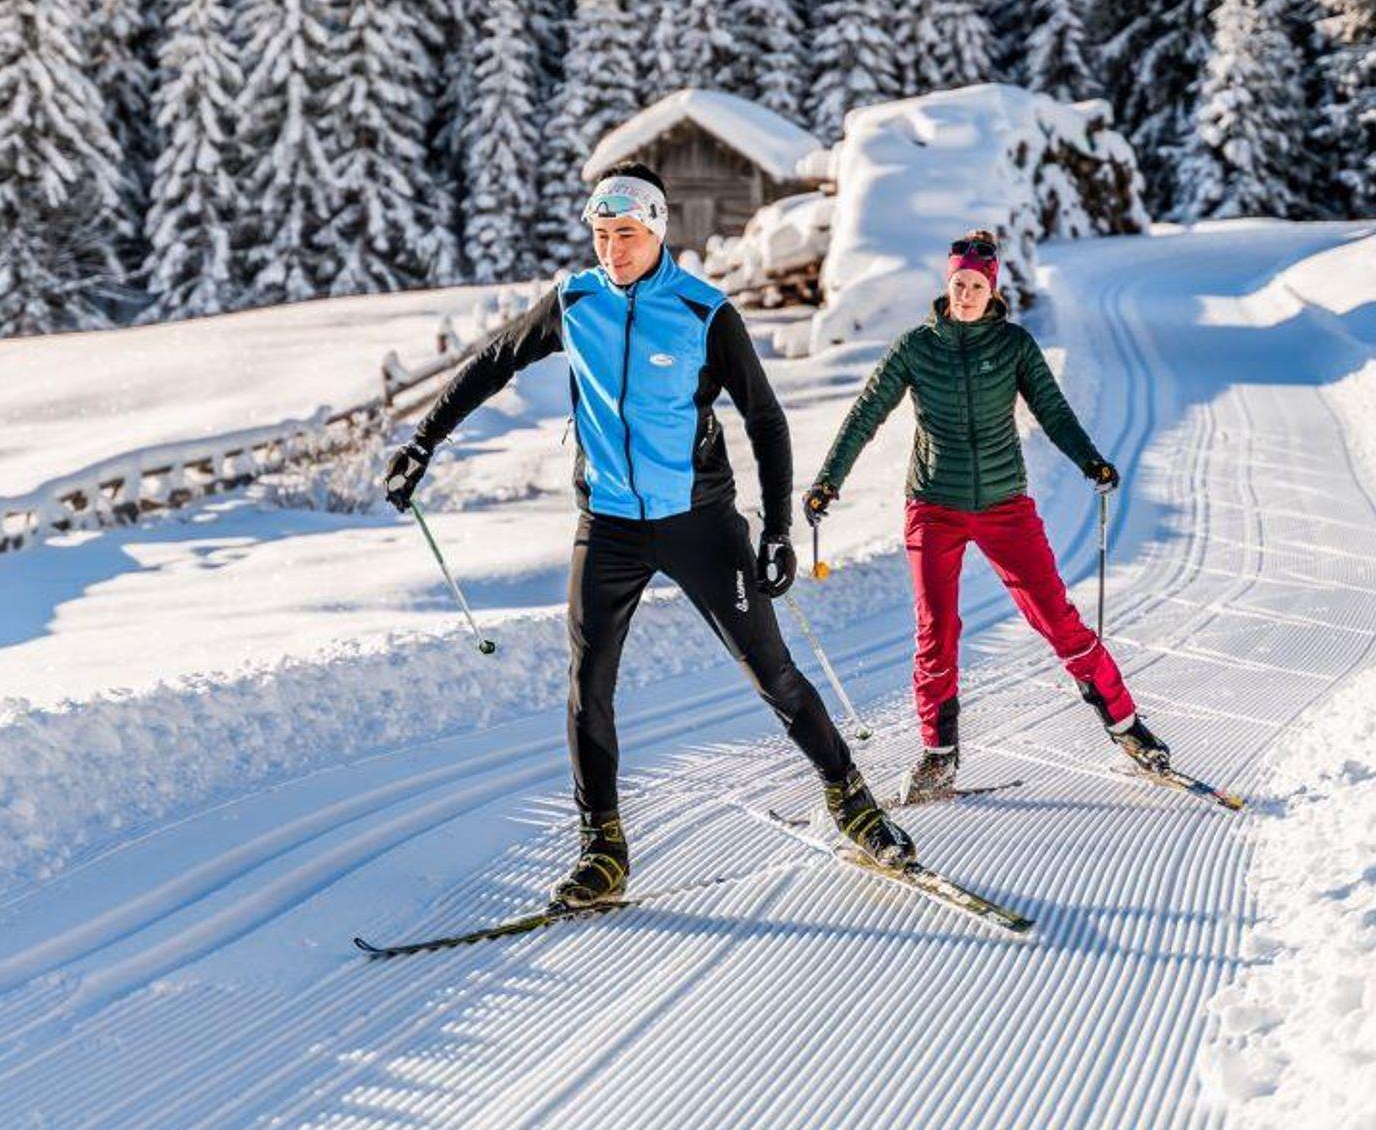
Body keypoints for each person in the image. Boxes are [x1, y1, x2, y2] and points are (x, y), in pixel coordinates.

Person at [385, 163, 915, 907]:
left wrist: (777, 528)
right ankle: (602, 850)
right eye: (601, 235)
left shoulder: (704, 311)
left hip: (699, 522)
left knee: (772, 673)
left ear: (657, 229)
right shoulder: (574, 302)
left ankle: (853, 801)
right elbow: (494, 363)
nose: (612, 250)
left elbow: (765, 419)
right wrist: (422, 442)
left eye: (626, 234)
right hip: (608, 524)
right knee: (587, 685)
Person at [803, 229, 1169, 805]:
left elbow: (1053, 411)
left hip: (1004, 505)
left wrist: (1090, 461)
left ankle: (1127, 726)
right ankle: (938, 756)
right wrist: (829, 480)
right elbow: (866, 413)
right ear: (947, 285)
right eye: (959, 285)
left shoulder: (1015, 346)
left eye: (976, 286)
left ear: (992, 290)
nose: (966, 295)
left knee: (1056, 617)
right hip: (933, 505)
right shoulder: (915, 347)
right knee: (936, 630)